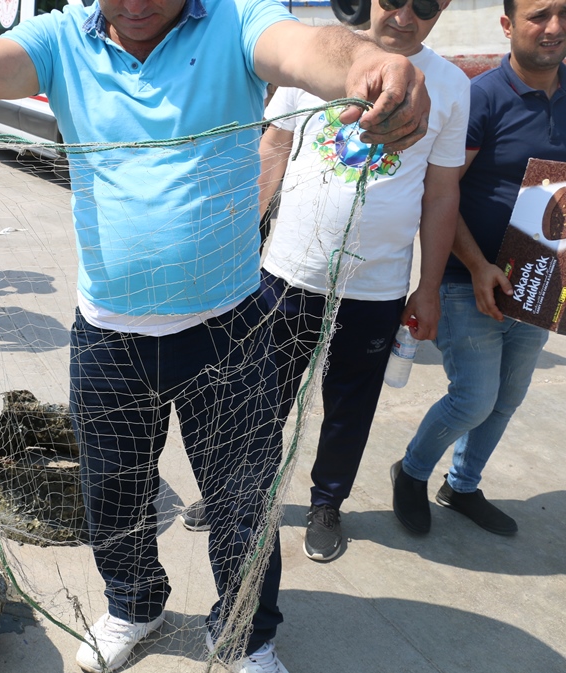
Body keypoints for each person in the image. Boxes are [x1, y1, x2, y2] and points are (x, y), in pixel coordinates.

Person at [0, 0, 428, 673]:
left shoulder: (236, 22)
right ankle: (134, 605)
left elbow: (309, 49)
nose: (136, 5)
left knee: (241, 502)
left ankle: (245, 634)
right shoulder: (61, 40)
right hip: (109, 331)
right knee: (112, 492)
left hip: (229, 326)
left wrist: (372, 64)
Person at [181, 0, 467, 565]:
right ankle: (238, 495)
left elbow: (441, 194)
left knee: (349, 408)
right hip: (285, 275)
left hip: (375, 291)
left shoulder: (452, 87)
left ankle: (326, 504)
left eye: (426, 5)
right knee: (257, 399)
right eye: (394, 1)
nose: (406, 17)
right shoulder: (317, 61)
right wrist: (242, 242)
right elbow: (275, 147)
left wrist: (427, 286)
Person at [392, 0, 566, 537]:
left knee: (508, 398)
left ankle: (462, 485)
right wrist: (478, 266)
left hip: (539, 280)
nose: (554, 27)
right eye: (539, 15)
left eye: (563, 13)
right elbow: (441, 190)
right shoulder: (481, 97)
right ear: (508, 25)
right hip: (468, 279)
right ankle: (412, 472)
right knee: (473, 398)